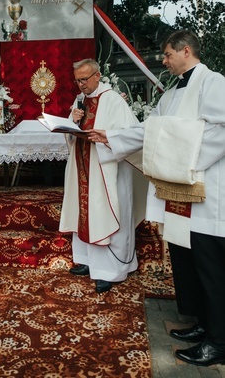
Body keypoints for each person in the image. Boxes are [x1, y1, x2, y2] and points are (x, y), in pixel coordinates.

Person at [88, 30, 225, 366]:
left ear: (186, 51)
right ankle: (202, 323)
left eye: (166, 55)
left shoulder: (214, 83)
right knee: (185, 260)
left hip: (205, 190)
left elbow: (220, 130)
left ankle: (220, 341)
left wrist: (182, 158)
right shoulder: (172, 94)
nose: (163, 61)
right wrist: (113, 136)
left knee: (211, 266)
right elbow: (152, 129)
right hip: (178, 192)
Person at [59, 58, 142, 294]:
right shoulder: (80, 100)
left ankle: (111, 270)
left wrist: (109, 137)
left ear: (97, 75)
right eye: (77, 80)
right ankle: (88, 260)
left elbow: (132, 135)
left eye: (84, 79)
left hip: (108, 169)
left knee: (104, 212)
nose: (81, 85)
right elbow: (72, 135)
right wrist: (71, 122)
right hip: (84, 166)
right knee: (85, 212)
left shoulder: (113, 100)